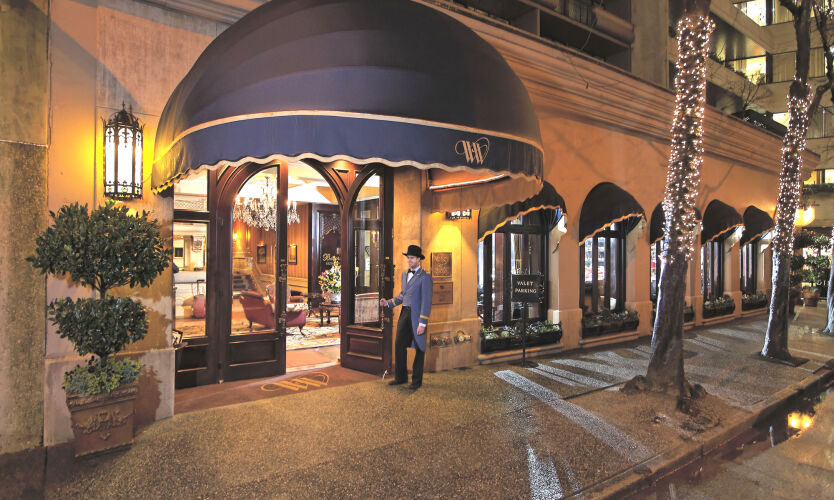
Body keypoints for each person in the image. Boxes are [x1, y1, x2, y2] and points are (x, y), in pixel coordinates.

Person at [380, 245, 433, 389]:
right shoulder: (404, 275)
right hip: (405, 313)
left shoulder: (425, 277)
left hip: (417, 316)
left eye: (412, 258)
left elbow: (426, 301)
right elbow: (402, 296)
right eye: (408, 258)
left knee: (420, 348)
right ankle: (401, 378)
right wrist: (388, 303)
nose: (409, 260)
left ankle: (416, 381)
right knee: (399, 344)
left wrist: (422, 323)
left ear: (419, 259)